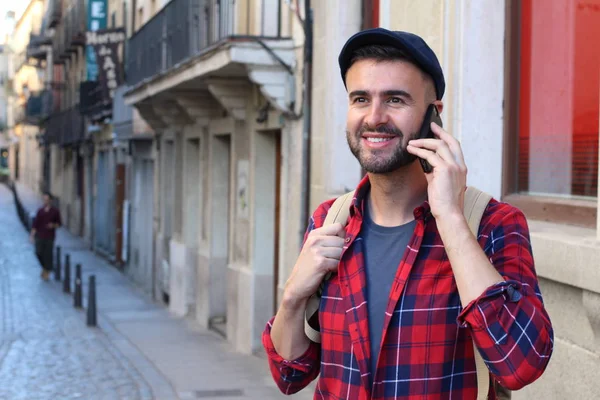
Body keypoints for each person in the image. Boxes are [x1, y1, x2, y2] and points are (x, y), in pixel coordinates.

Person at [262, 28, 554, 399]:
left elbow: (521, 365)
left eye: (395, 99)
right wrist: (291, 299)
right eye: (360, 99)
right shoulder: (330, 220)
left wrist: (449, 217)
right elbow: (289, 376)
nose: (374, 117)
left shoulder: (493, 224)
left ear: (434, 114)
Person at [30, 192, 62, 281]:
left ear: (51, 200)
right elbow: (35, 224)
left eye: (47, 200)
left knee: (48, 254)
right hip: (39, 235)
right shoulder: (40, 211)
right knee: (38, 252)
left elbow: (59, 224)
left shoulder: (55, 211)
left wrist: (53, 225)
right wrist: (32, 236)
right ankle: (45, 268)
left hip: (49, 236)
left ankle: (47, 271)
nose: (45, 201)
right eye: (44, 199)